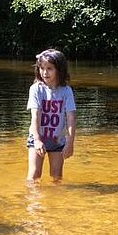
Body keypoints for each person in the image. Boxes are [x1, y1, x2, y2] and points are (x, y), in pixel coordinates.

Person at [26, 48, 77, 183]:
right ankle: (32, 202)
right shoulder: (36, 89)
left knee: (57, 177)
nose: (44, 72)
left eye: (49, 68)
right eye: (42, 68)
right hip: (37, 136)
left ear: (59, 70)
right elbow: (35, 116)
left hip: (57, 140)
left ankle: (56, 203)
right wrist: (37, 140)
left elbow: (71, 118)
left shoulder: (66, 91)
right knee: (34, 175)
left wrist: (70, 143)